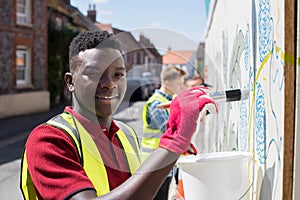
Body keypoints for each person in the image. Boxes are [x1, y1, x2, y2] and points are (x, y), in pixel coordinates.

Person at [20, 30, 217, 200]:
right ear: (70, 82)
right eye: (95, 73)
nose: (109, 83)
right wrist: (174, 140)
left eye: (118, 75)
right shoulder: (48, 140)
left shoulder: (125, 134)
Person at [141, 66, 187, 199]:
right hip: (156, 164)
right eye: (178, 84)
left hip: (164, 162)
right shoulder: (156, 104)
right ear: (167, 83)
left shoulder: (168, 102)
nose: (181, 87)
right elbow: (170, 130)